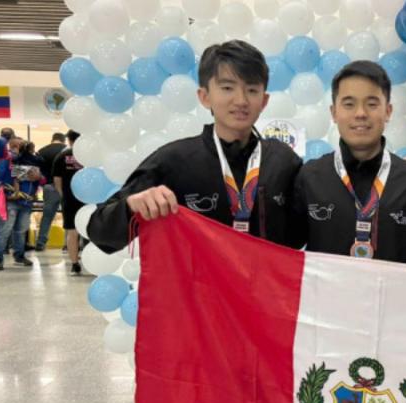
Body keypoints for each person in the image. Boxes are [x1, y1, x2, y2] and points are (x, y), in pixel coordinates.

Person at [88, 40, 302, 254]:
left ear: (264, 101)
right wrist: (131, 206)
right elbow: (100, 232)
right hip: (196, 287)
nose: (241, 100)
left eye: (252, 90)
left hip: (266, 285)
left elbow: (304, 232)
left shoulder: (283, 161)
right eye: (227, 88)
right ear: (204, 97)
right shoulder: (174, 160)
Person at [292, 61, 406, 262]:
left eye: (372, 104)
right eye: (349, 104)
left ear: (388, 111)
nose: (360, 114)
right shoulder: (310, 176)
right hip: (327, 294)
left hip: (392, 293)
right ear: (334, 113)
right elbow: (284, 243)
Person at [0, 140, 43, 270]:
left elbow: (42, 179)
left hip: (26, 202)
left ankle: (19, 255)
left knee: (20, 231)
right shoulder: (7, 161)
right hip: (11, 201)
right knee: (5, 231)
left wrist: (38, 177)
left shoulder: (35, 161)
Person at [52, 131, 84, 275]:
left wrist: (63, 195)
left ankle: (75, 264)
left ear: (69, 140)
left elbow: (57, 179)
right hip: (89, 199)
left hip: (70, 199)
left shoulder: (62, 156)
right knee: (92, 230)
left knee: (72, 232)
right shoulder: (90, 154)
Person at [35, 132, 67, 251]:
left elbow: (37, 171)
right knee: (67, 216)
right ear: (63, 140)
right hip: (66, 188)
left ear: (52, 139)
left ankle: (41, 242)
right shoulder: (67, 151)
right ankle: (67, 244)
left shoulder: (42, 151)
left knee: (47, 216)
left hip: (49, 187)